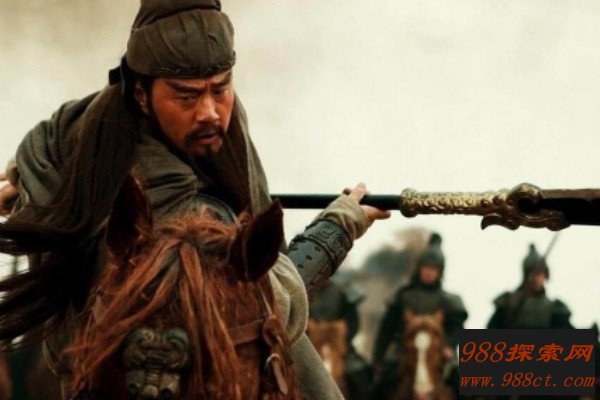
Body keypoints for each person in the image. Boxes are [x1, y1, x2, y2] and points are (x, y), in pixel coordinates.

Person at [0, 1, 389, 398]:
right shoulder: (174, 212)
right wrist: (341, 223)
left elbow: (55, 147)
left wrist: (22, 179)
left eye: (220, 89)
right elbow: (267, 297)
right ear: (141, 95)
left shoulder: (78, 140)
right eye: (186, 97)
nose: (209, 112)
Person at [371, 233, 468, 398]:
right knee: (380, 386)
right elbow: (386, 329)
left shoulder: (448, 301)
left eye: (433, 269)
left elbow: (457, 328)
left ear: (440, 272)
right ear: (419, 268)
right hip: (405, 351)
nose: (429, 272)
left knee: (462, 386)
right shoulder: (403, 296)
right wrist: (378, 358)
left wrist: (450, 346)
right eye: (426, 268)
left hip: (438, 352)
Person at [487, 243, 573, 329]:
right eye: (534, 274)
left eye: (541, 274)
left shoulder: (554, 310)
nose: (538, 279)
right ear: (526, 275)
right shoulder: (507, 302)